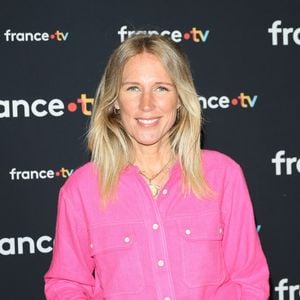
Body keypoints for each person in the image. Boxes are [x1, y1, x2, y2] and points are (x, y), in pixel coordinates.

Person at [44, 34, 269, 299]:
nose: (147, 105)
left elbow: (249, 283)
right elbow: (66, 285)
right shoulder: (81, 189)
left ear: (180, 99)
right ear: (114, 101)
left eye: (161, 88)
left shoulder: (223, 176)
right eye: (133, 88)